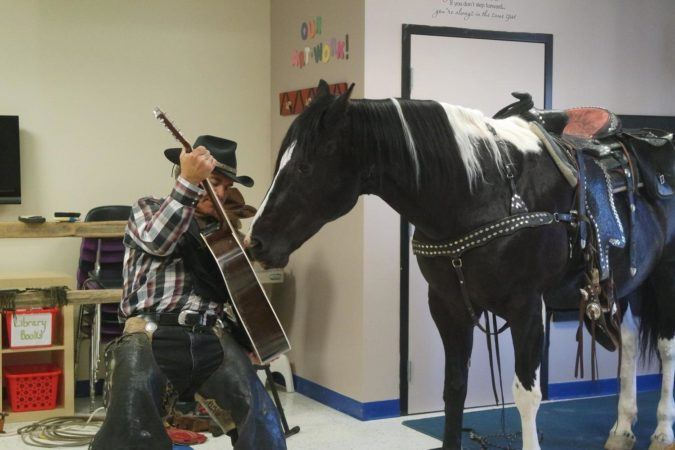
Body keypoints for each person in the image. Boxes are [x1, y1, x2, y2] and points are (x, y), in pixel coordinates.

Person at [90, 135, 286, 450]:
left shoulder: (223, 234)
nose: (219, 191)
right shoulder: (147, 209)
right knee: (130, 422)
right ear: (190, 175)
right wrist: (188, 184)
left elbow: (237, 295)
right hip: (150, 334)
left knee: (260, 416)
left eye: (225, 186)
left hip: (211, 335)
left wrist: (255, 337)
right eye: (213, 181)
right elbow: (158, 241)